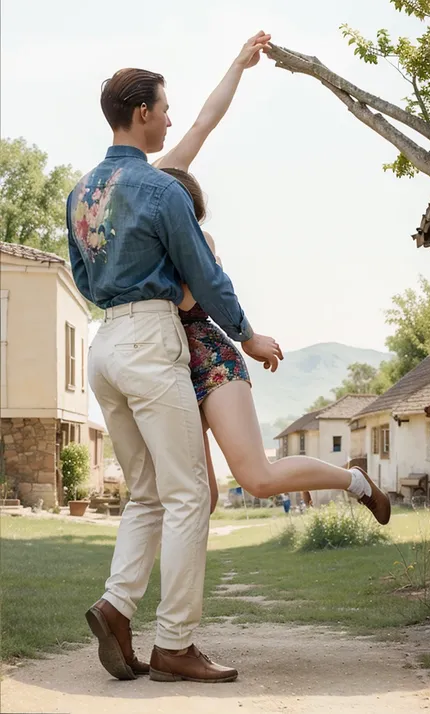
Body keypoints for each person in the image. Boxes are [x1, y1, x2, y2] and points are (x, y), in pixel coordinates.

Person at [66, 36, 281, 685]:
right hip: (153, 340)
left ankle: (116, 605)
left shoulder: (85, 192)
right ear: (139, 112)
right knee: (190, 494)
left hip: (105, 344)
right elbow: (205, 275)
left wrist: (237, 67)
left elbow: (83, 275)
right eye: (162, 109)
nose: (168, 118)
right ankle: (176, 645)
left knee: (148, 494)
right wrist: (247, 334)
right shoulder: (160, 191)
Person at [154, 36, 391, 531]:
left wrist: (239, 63)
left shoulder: (198, 237)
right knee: (204, 497)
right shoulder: (145, 191)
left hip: (210, 359)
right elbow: (201, 122)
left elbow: (202, 123)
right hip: (164, 361)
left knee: (257, 478)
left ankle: (354, 482)